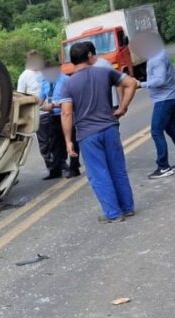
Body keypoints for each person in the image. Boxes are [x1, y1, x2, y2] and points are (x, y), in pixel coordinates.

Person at [60, 42, 141, 223]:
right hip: (110, 128)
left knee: (99, 174)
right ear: (89, 55)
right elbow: (131, 83)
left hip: (88, 135)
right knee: (118, 169)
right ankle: (127, 208)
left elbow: (66, 113)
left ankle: (113, 214)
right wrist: (122, 108)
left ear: (72, 61)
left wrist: (68, 141)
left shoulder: (68, 83)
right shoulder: (105, 73)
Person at [137, 33, 175, 178]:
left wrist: (141, 84)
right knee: (172, 129)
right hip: (170, 95)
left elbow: (160, 79)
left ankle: (163, 166)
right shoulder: (162, 54)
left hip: (164, 99)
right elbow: (173, 74)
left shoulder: (156, 58)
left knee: (156, 131)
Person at [37, 60, 80, 179]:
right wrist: (37, 105)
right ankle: (55, 170)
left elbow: (73, 99)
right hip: (52, 115)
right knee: (54, 143)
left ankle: (74, 167)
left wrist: (56, 105)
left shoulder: (66, 80)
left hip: (65, 113)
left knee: (71, 140)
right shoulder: (45, 82)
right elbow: (40, 99)